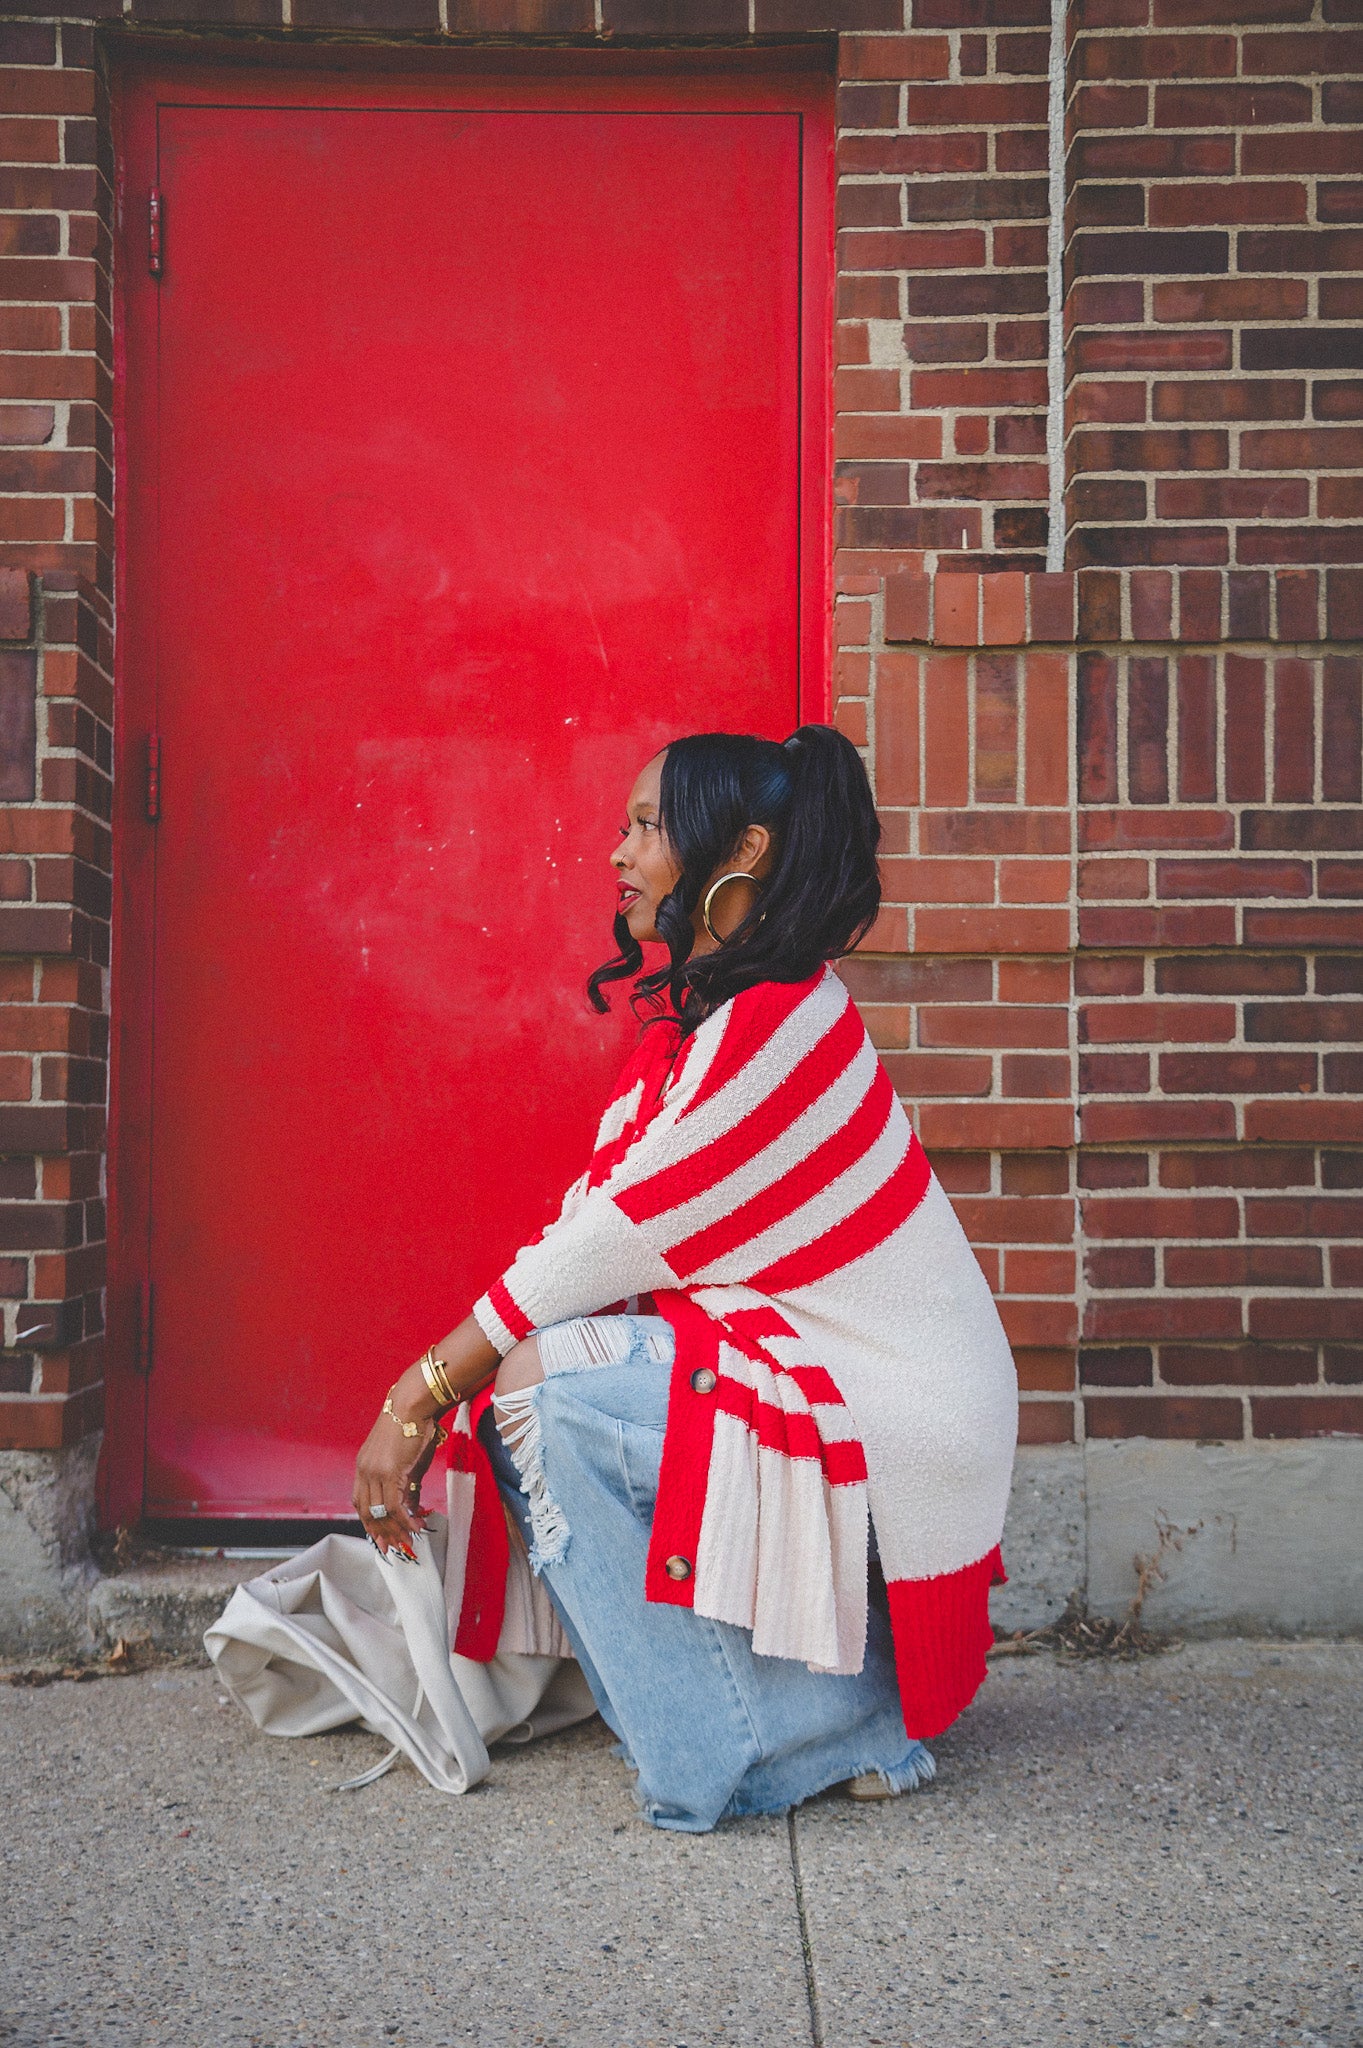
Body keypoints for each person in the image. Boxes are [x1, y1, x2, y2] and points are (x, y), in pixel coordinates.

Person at [352, 725, 1018, 1833]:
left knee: (548, 1394)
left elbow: (600, 1244)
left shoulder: (781, 1025)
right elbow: (585, 1243)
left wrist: (415, 1390)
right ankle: (758, 1707)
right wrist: (447, 1378)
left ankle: (794, 1731)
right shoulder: (712, 1028)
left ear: (741, 847)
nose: (619, 851)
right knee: (530, 1374)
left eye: (648, 825)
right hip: (820, 1375)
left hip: (897, 1418)